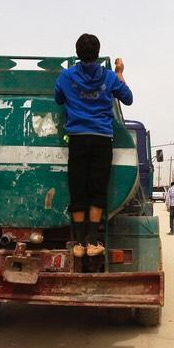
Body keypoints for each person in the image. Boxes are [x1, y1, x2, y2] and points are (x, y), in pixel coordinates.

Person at [54, 33, 133, 260]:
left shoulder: (66, 76)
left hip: (77, 138)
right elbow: (127, 98)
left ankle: (78, 243)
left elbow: (58, 99)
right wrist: (119, 73)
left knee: (78, 188)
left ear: (77, 53)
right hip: (101, 139)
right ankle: (92, 241)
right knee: (97, 189)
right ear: (98, 54)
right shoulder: (109, 77)